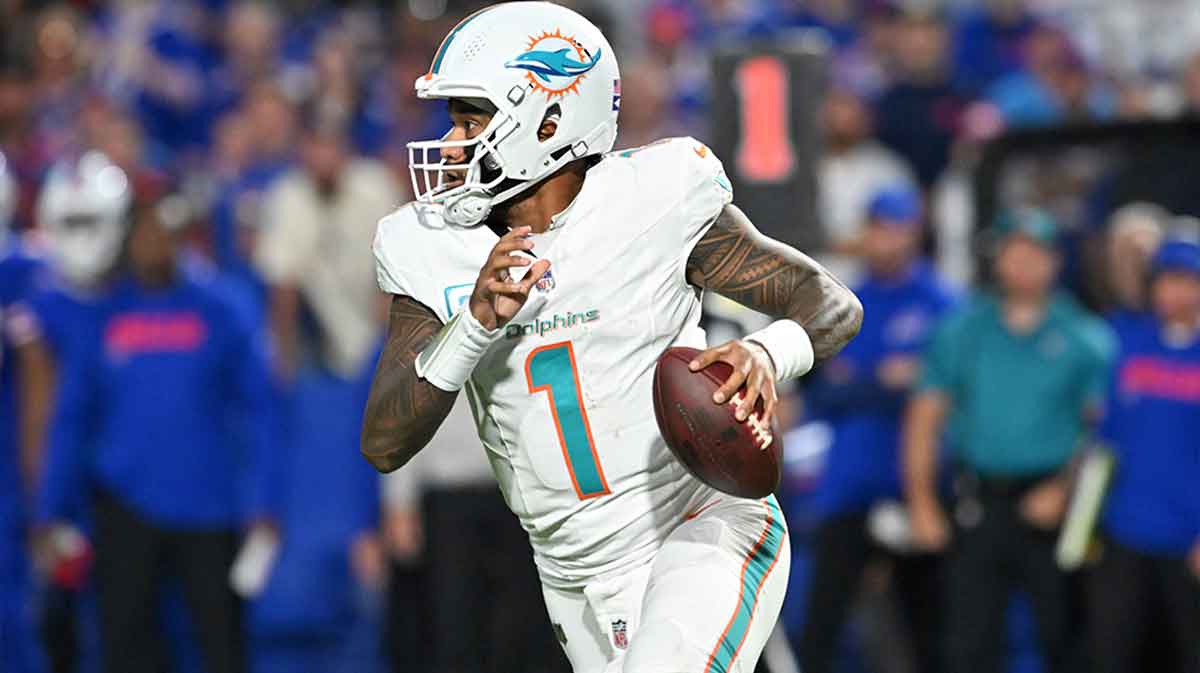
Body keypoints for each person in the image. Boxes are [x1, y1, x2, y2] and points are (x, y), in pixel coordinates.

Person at [361, 5, 863, 673]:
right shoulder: (431, 248)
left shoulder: (653, 199)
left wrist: (768, 353)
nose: (452, 143)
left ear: (547, 121)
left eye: (471, 118)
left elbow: (829, 304)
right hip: (573, 574)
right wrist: (474, 325)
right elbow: (385, 442)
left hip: (697, 523)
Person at [36, 182, 276, 673]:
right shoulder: (102, 316)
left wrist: (264, 503)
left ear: (181, 235)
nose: (152, 242)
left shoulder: (222, 310)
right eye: (142, 230)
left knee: (221, 648)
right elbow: (73, 418)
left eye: (162, 230)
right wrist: (52, 510)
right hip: (124, 508)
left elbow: (260, 411)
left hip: (208, 509)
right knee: (126, 649)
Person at [903, 208, 1114, 673]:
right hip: (979, 498)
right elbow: (924, 416)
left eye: (1035, 253)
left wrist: (1065, 489)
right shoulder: (962, 330)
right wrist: (920, 499)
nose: (1023, 263)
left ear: (1056, 262)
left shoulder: (1087, 338)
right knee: (967, 640)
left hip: (1053, 503)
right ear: (998, 259)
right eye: (1013, 252)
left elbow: (1105, 432)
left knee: (1064, 637)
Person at [801, 186, 956, 673]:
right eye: (878, 227)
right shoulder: (844, 302)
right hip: (849, 483)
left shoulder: (943, 302)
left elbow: (944, 391)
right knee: (822, 626)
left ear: (915, 231)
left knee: (929, 628)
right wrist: (884, 380)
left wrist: (863, 382)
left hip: (920, 486)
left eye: (897, 228)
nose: (886, 239)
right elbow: (819, 392)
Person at [1087, 238, 1200, 673]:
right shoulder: (1123, 339)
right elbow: (1102, 437)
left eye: (1186, 280)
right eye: (1165, 280)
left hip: (1188, 539)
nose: (1172, 292)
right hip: (1124, 532)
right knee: (1112, 652)